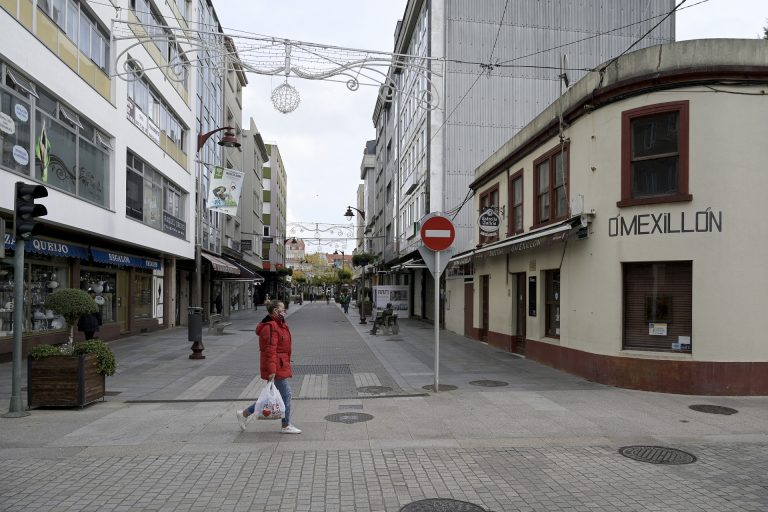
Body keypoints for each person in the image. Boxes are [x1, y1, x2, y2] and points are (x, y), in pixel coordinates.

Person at [236, 301, 301, 434]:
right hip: (276, 366)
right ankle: (286, 425)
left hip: (279, 364)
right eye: (283, 309)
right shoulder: (271, 326)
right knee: (286, 395)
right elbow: (270, 350)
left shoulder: (277, 323)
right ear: (275, 310)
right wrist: (272, 370)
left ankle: (244, 414)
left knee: (270, 398)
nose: (285, 311)